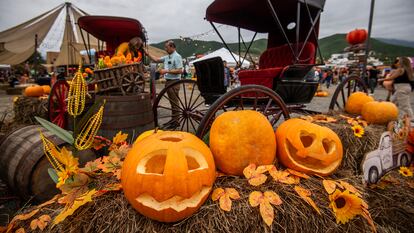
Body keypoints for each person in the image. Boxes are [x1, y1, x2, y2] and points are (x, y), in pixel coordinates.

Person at [145, 40, 183, 128]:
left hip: (174, 81)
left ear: (172, 47)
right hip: (168, 81)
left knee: (175, 102)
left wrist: (166, 71)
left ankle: (176, 121)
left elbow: (180, 70)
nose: (165, 49)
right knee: (172, 102)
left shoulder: (177, 57)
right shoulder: (167, 57)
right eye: (165, 47)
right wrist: (147, 53)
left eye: (167, 47)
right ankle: (173, 119)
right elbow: (156, 59)